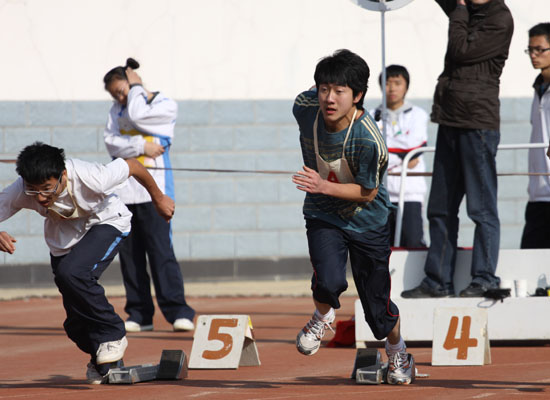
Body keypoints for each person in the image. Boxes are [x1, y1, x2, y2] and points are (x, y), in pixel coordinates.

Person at [0, 142, 175, 383]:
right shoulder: (20, 190)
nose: (40, 197)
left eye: (47, 189)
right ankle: (103, 363)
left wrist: (158, 198)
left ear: (63, 175)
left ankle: (112, 333)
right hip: (64, 240)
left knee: (73, 273)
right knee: (75, 322)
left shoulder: (93, 177)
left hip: (107, 223)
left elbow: (134, 165)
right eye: (33, 191)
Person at [292, 49, 415, 385]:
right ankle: (322, 316)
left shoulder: (369, 140)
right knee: (328, 280)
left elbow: (367, 192)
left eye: (339, 91)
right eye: (324, 89)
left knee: (377, 308)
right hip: (323, 214)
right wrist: (321, 192)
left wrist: (322, 185)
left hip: (368, 221)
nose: (329, 99)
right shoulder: (305, 108)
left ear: (358, 95)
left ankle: (398, 351)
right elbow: (311, 93)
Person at [401, 0, 513, 299]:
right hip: (450, 120)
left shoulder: (498, 19)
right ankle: (437, 281)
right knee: (440, 208)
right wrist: (461, 8)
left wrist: (460, 10)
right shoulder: (467, 11)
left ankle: (485, 278)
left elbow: (460, 49)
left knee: (481, 208)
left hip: (478, 125)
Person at [103, 58, 195, 333]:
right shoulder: (116, 110)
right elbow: (111, 144)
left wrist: (135, 88)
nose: (120, 99)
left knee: (161, 252)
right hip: (124, 193)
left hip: (155, 192)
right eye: (115, 95)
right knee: (130, 256)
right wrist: (141, 145)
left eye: (122, 91)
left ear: (132, 83)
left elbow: (139, 116)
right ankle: (140, 313)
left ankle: (178, 310)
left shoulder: (164, 104)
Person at [371, 65, 428, 248]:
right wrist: (402, 157)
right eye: (387, 83)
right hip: (379, 194)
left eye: (397, 83)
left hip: (410, 193)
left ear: (406, 86)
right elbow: (371, 151)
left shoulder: (418, 115)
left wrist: (386, 154)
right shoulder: (371, 116)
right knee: (381, 247)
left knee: (412, 243)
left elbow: (413, 146)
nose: (392, 88)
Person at [521, 23, 550, 249]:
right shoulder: (538, 89)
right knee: (529, 257)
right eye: (530, 49)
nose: (534, 55)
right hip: (538, 194)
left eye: (540, 49)